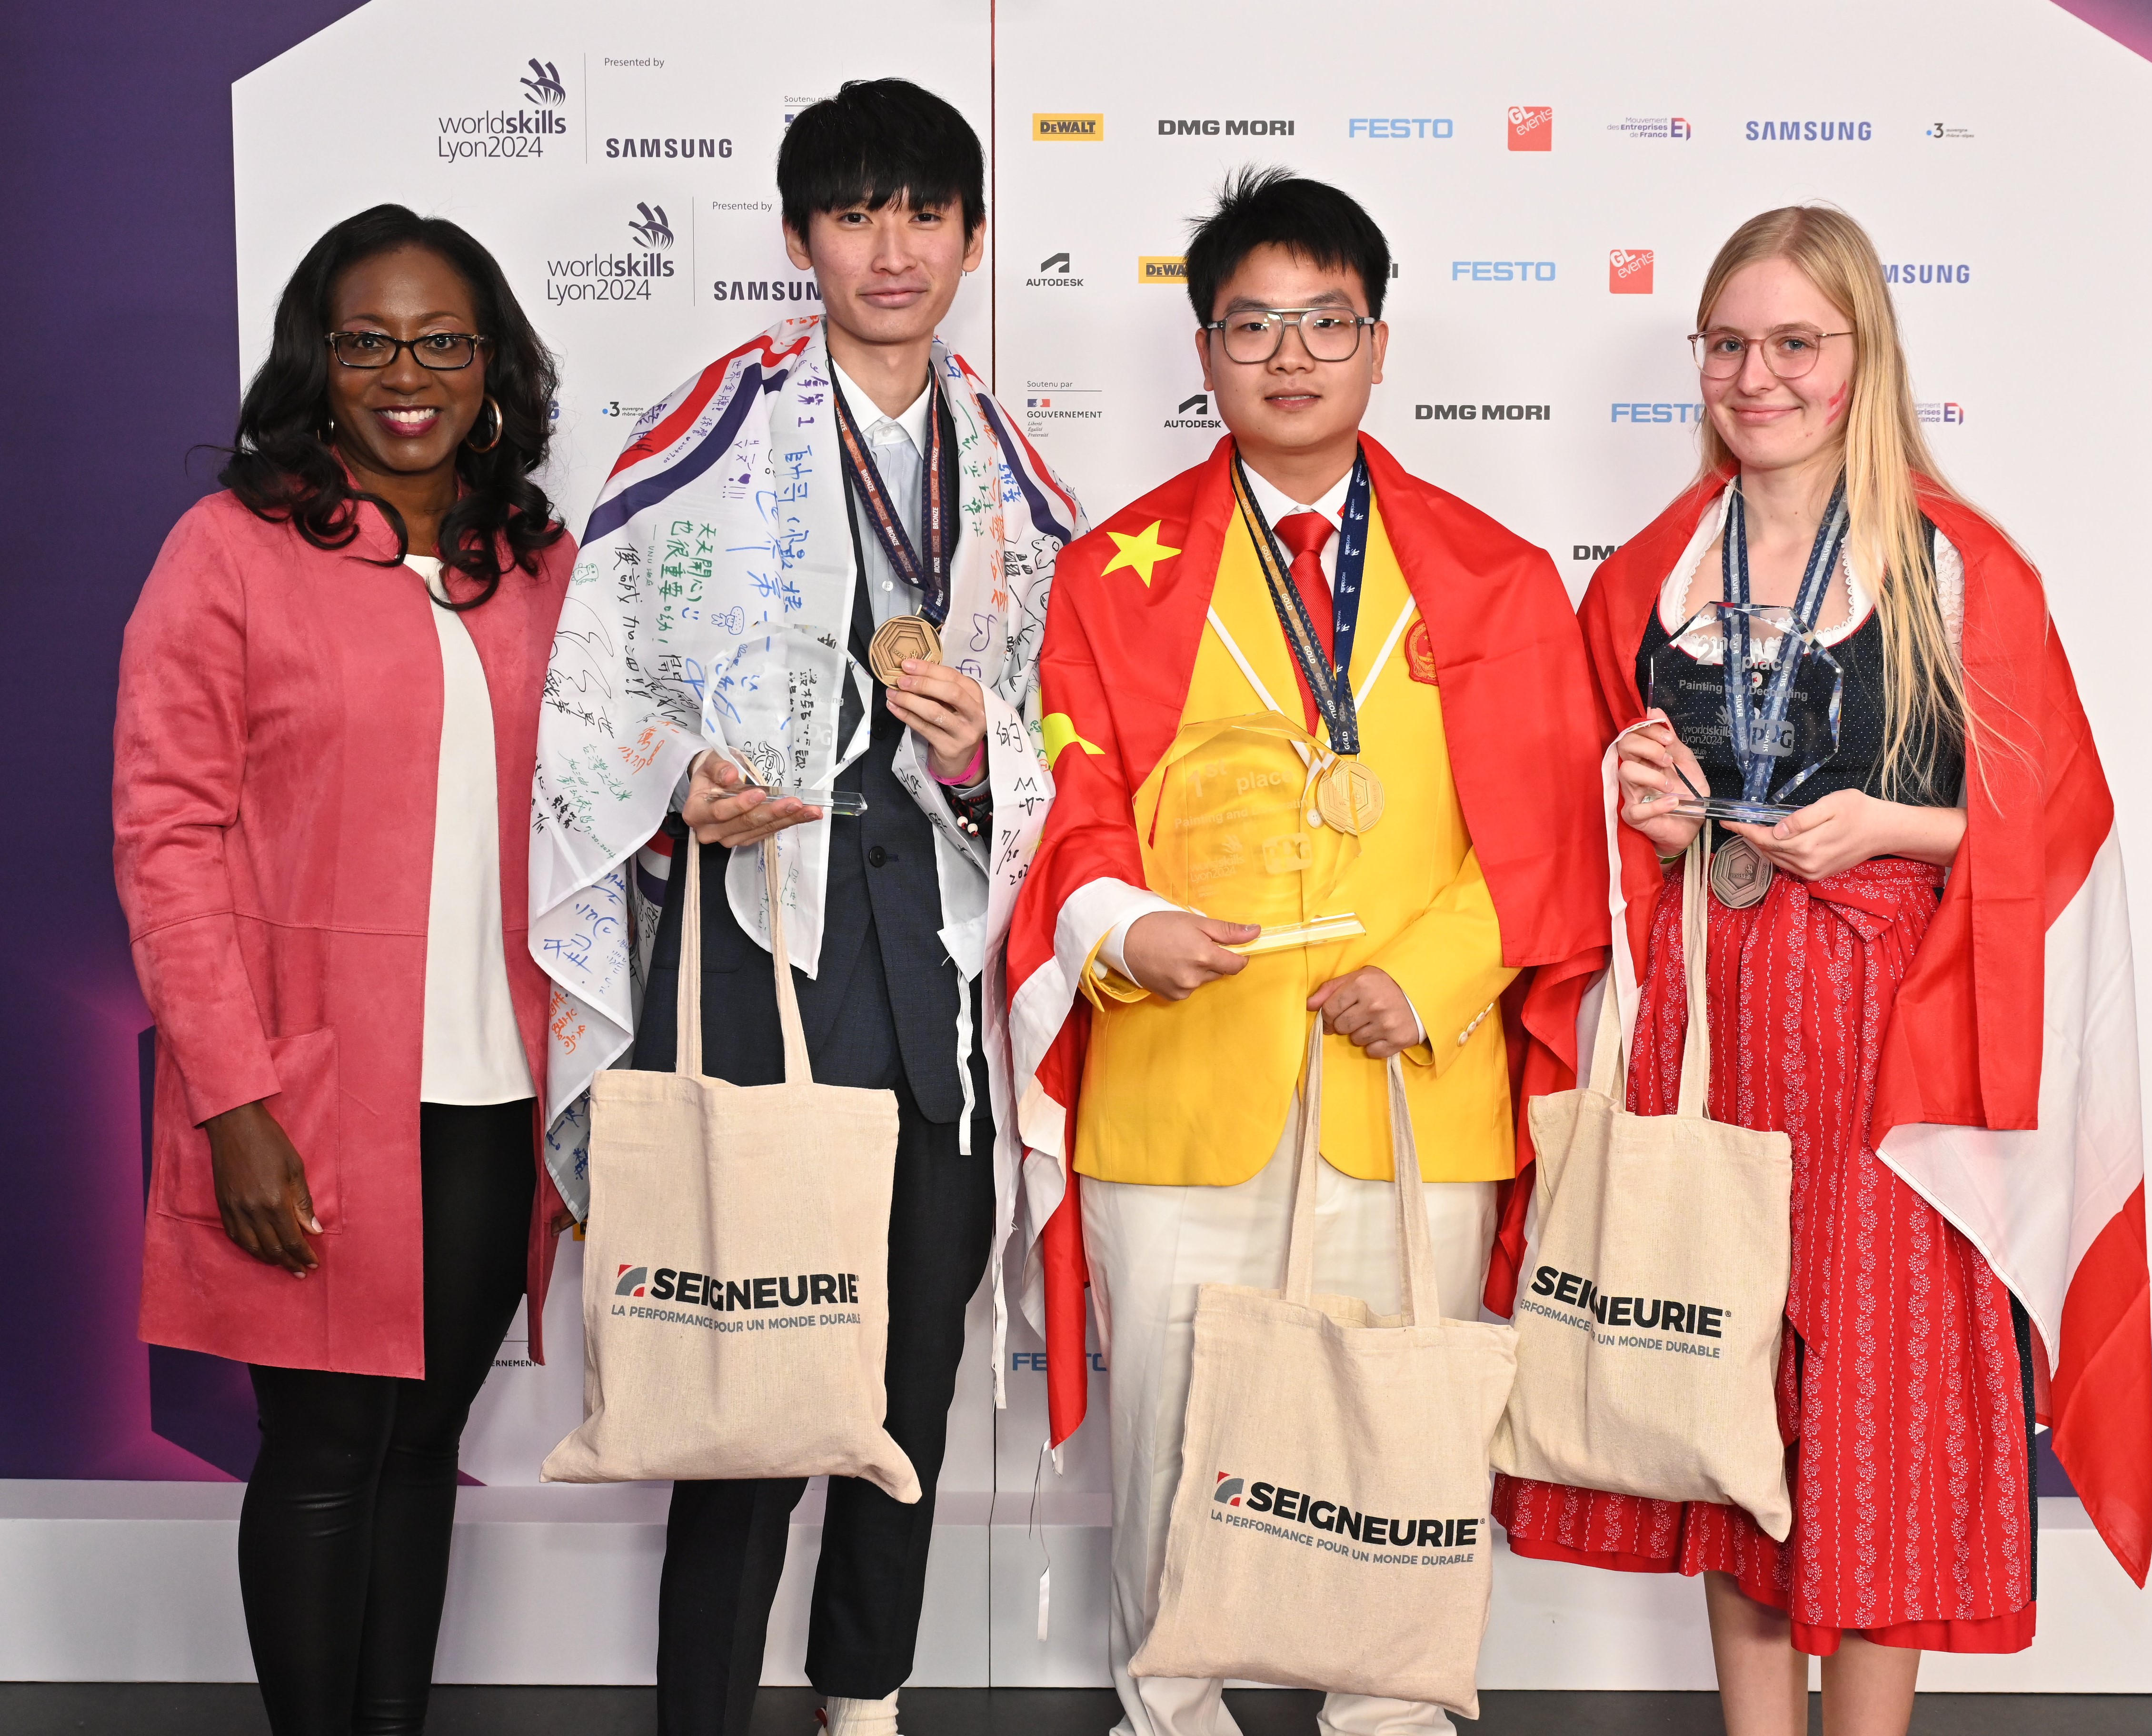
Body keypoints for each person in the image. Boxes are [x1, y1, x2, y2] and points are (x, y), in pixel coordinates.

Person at [1490, 205, 2152, 1736]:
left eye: (1795, 342)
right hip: (1708, 1023)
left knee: (1880, 1422)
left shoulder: (1954, 569)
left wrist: (1890, 828)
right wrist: (1643, 815)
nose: (1756, 375)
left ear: (1863, 354)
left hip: (1886, 1046)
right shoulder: (1652, 568)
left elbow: (2052, 829)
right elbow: (1591, 825)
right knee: (1722, 1389)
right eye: (1727, 344)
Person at [1003, 168, 1610, 1736]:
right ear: (1203, 352)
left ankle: (1391, 1715)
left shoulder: (1496, 574)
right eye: (1251, 323)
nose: (1290, 355)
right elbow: (1066, 808)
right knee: (1173, 1457)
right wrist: (1126, 928)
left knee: (1397, 1457)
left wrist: (1433, 975)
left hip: (1412, 1079)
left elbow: (1547, 831)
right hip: (1179, 1082)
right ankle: (1171, 1713)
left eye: (1324, 321)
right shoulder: (1111, 570)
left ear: (1379, 342)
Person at [528, 78, 1082, 1736]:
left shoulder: (1006, 466)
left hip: (933, 970)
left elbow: (1068, 732)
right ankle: (698, 1708)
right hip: (754, 945)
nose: (890, 247)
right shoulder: (712, 425)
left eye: (924, 213)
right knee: (747, 1357)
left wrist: (991, 763)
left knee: (906, 1377)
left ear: (974, 240)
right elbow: (589, 679)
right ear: (796, 239)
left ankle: (867, 1699)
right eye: (853, 214)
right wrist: (673, 775)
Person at [113, 205, 573, 1734]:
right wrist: (234, 1103)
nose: (407, 374)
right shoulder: (228, 551)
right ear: (318, 362)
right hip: (305, 1098)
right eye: (368, 339)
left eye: (443, 341)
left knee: (419, 1445)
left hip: (491, 1091)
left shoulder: (536, 564)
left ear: (490, 364)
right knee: (320, 1456)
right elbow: (166, 839)